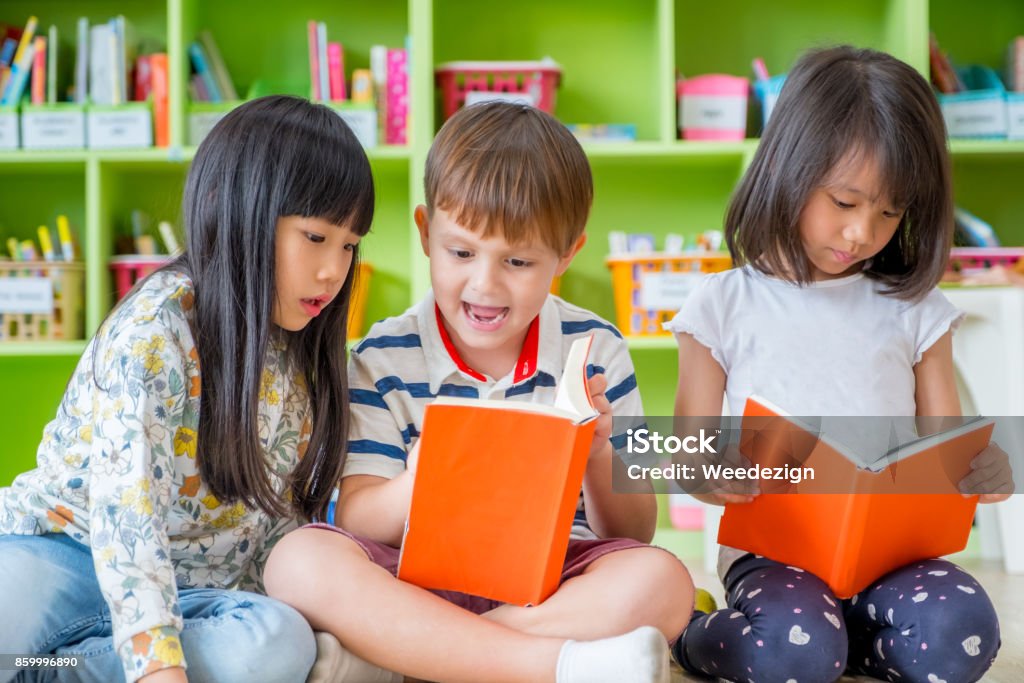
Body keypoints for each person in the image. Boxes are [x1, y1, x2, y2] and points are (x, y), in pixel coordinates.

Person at [264, 101, 693, 683]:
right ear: (425, 231)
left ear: (567, 254)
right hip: (412, 580)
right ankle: (548, 665)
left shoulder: (600, 347)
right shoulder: (379, 357)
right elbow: (360, 516)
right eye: (461, 252)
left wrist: (598, 451)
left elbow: (634, 531)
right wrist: (421, 484)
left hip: (552, 584)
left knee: (664, 582)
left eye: (518, 260)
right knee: (299, 561)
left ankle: (410, 659)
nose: (485, 285)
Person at [667, 46, 1013, 683]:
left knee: (962, 634)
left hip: (896, 557)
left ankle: (843, 642)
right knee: (792, 652)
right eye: (845, 202)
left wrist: (987, 468)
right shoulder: (721, 304)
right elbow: (686, 452)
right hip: (774, 556)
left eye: (889, 211)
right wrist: (714, 476)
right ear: (788, 170)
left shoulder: (917, 310)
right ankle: (693, 634)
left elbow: (949, 445)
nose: (862, 234)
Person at [0, 95, 375, 683]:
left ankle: (43, 673)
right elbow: (129, 513)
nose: (335, 270)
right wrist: (157, 670)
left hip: (194, 593)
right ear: (238, 215)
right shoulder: (155, 329)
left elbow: (279, 528)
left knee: (274, 643)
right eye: (315, 237)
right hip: (64, 553)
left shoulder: (304, 355)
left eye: (349, 245)